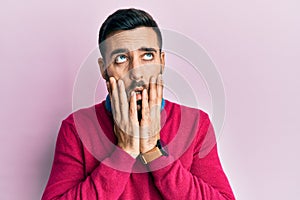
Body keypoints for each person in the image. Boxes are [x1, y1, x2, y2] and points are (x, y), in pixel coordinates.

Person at [42, 8, 235, 200]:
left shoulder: (195, 123)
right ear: (104, 70)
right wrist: (125, 150)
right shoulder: (77, 128)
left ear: (162, 61)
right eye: (121, 58)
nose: (136, 72)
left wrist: (154, 151)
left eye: (148, 56)